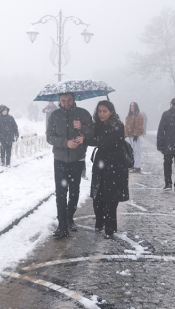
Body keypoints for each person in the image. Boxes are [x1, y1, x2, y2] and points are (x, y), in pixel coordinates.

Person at [46, 92, 94, 239]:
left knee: (74, 191)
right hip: (60, 159)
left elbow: (92, 133)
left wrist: (82, 129)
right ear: (59, 101)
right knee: (60, 192)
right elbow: (49, 137)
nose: (66, 102)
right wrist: (64, 143)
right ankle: (62, 225)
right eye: (63, 100)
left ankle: (69, 217)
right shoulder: (54, 115)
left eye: (69, 99)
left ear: (73, 99)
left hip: (77, 159)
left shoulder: (83, 114)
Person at [85, 101, 129, 239]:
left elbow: (107, 142)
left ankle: (110, 228)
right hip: (100, 164)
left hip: (115, 165)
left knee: (110, 198)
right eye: (99, 111)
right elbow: (93, 139)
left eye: (104, 111)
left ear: (111, 112)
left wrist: (90, 140)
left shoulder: (118, 126)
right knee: (98, 195)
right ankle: (100, 223)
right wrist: (81, 132)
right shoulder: (97, 125)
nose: (101, 114)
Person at [125, 102, 145, 173]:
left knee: (137, 151)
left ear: (136, 107)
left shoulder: (139, 115)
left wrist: (136, 135)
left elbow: (139, 126)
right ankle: (134, 165)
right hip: (131, 136)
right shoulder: (129, 116)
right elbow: (127, 126)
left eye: (133, 106)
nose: (132, 107)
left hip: (137, 136)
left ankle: (137, 167)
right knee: (132, 151)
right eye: (131, 106)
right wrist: (125, 134)